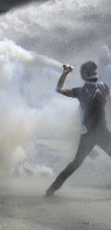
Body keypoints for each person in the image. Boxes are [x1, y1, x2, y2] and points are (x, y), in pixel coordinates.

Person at [45, 61, 111, 197]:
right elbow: (59, 89)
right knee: (75, 164)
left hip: (103, 133)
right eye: (92, 74)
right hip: (88, 137)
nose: (95, 76)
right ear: (85, 77)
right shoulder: (80, 92)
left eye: (96, 73)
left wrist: (107, 97)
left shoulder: (103, 87)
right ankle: (52, 189)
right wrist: (65, 74)